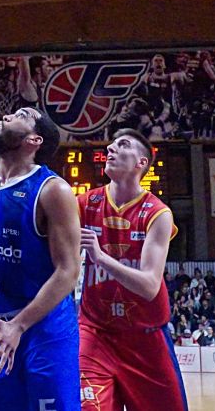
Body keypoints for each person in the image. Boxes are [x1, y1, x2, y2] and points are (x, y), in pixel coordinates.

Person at [0, 108, 81, 411]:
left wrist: (20, 326)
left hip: (46, 327)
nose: (8, 114)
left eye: (22, 114)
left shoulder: (54, 190)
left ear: (34, 140)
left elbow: (68, 271)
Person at [77, 128, 187, 411]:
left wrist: (100, 258)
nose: (111, 148)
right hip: (95, 332)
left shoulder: (157, 213)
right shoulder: (85, 202)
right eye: (111, 144)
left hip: (145, 338)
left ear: (141, 163)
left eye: (122, 145)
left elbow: (150, 286)